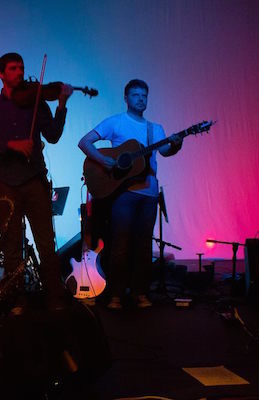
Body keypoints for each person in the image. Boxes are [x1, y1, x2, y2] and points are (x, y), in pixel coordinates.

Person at [0, 52, 73, 311]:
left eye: (21, 68)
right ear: (1, 74)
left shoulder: (37, 102)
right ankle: (16, 298)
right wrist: (11, 145)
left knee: (46, 241)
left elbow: (53, 136)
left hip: (34, 180)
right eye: (13, 68)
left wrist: (61, 105)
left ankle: (54, 296)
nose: (19, 72)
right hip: (6, 182)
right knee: (11, 244)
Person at [78, 79, 183, 309]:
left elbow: (166, 150)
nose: (141, 99)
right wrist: (103, 160)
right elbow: (84, 142)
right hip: (123, 193)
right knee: (120, 244)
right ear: (126, 98)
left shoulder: (155, 129)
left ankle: (140, 293)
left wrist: (177, 143)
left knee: (143, 245)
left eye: (144, 96)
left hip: (149, 194)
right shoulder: (115, 122)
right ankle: (115, 294)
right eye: (136, 95)